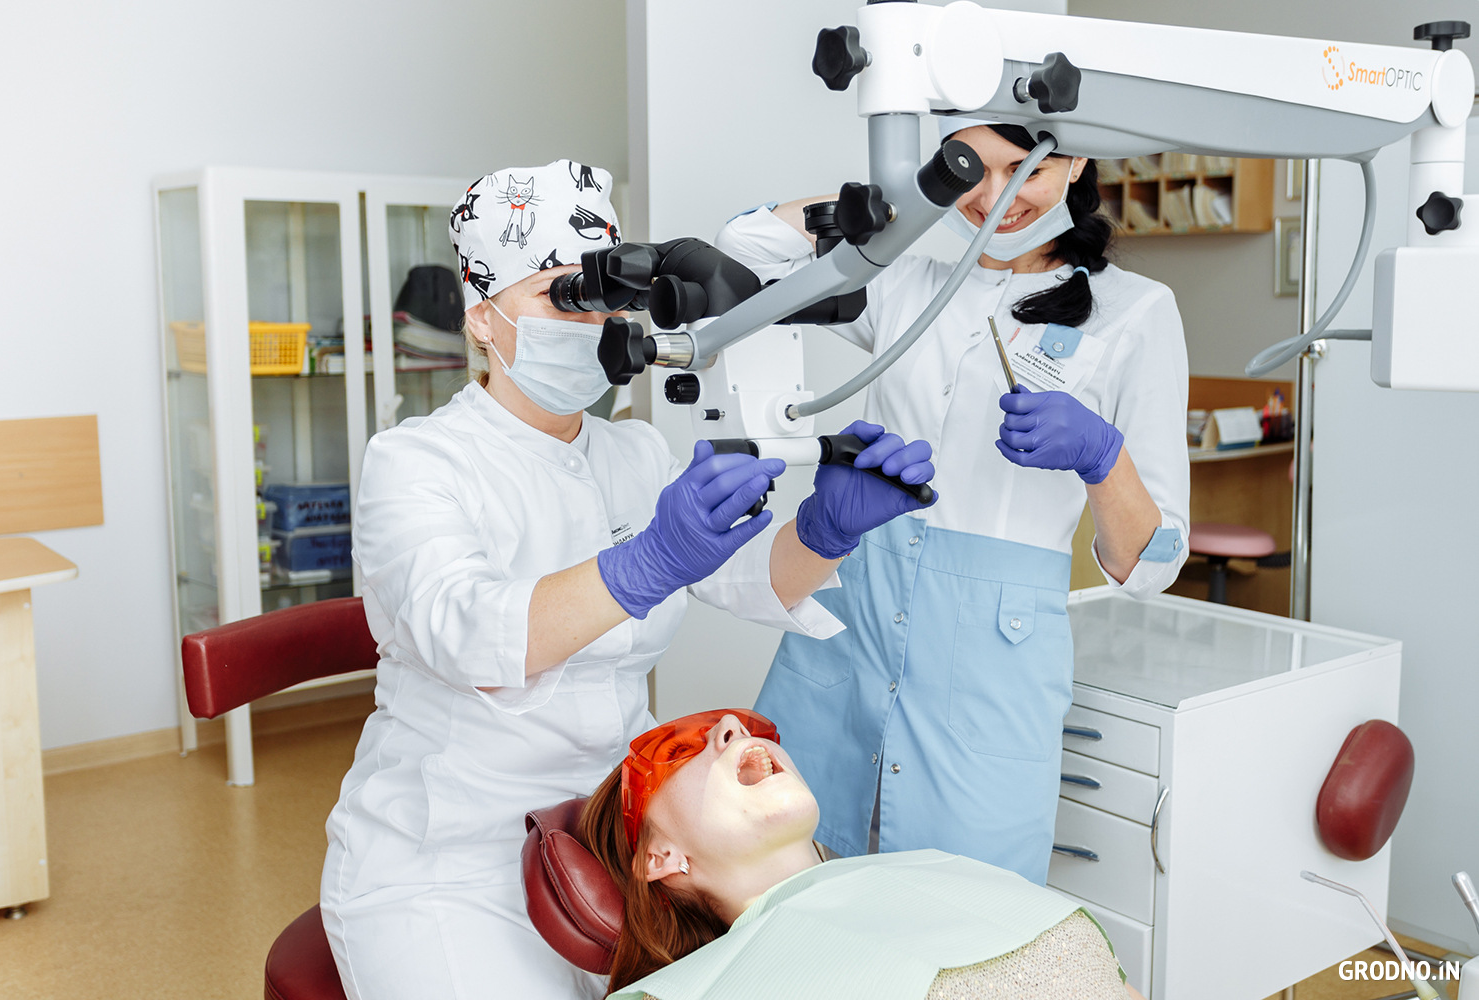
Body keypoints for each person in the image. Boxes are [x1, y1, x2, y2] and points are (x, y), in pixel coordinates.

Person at [319, 159, 938, 1000]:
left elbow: (747, 576)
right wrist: (646, 564)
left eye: (605, 297)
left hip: (622, 835)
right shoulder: (417, 460)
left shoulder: (635, 451)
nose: (592, 321)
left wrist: (826, 530)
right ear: (482, 318)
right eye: (560, 295)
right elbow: (468, 634)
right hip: (450, 851)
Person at [714, 120, 1190, 883]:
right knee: (792, 885)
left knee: (965, 914)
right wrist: (892, 203)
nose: (995, 197)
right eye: (972, 169)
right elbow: (747, 251)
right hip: (852, 627)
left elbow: (1154, 564)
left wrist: (1104, 459)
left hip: (989, 667)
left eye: (1024, 170)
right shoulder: (902, 280)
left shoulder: (1136, 311)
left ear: (1075, 162)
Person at [575, 709, 1147, 1000]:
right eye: (676, 751)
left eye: (751, 726)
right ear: (659, 857)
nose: (732, 726)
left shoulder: (933, 868)